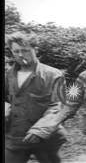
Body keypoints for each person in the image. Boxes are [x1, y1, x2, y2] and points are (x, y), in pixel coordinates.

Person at [5, 32, 67, 163]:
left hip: (46, 138)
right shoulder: (9, 74)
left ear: (35, 50)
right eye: (16, 51)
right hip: (15, 138)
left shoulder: (53, 74)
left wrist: (40, 130)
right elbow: (6, 99)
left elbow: (57, 106)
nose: (20, 55)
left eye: (25, 50)